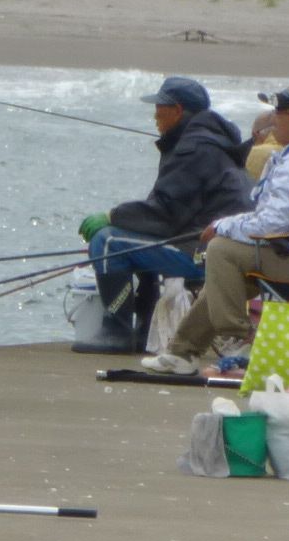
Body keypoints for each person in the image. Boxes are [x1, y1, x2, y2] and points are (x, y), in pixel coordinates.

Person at [142, 81, 289, 375]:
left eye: (280, 112)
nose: (273, 118)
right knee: (224, 277)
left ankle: (240, 336)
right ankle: (181, 353)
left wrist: (221, 225)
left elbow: (270, 224)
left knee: (220, 249)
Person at [77, 76, 251, 352]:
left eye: (160, 108)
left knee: (108, 242)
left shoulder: (194, 148)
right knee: (137, 238)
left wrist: (112, 216)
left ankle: (117, 333)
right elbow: (168, 211)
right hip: (215, 249)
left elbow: (166, 214)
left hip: (204, 255)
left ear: (178, 110)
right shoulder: (209, 141)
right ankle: (143, 328)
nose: (155, 116)